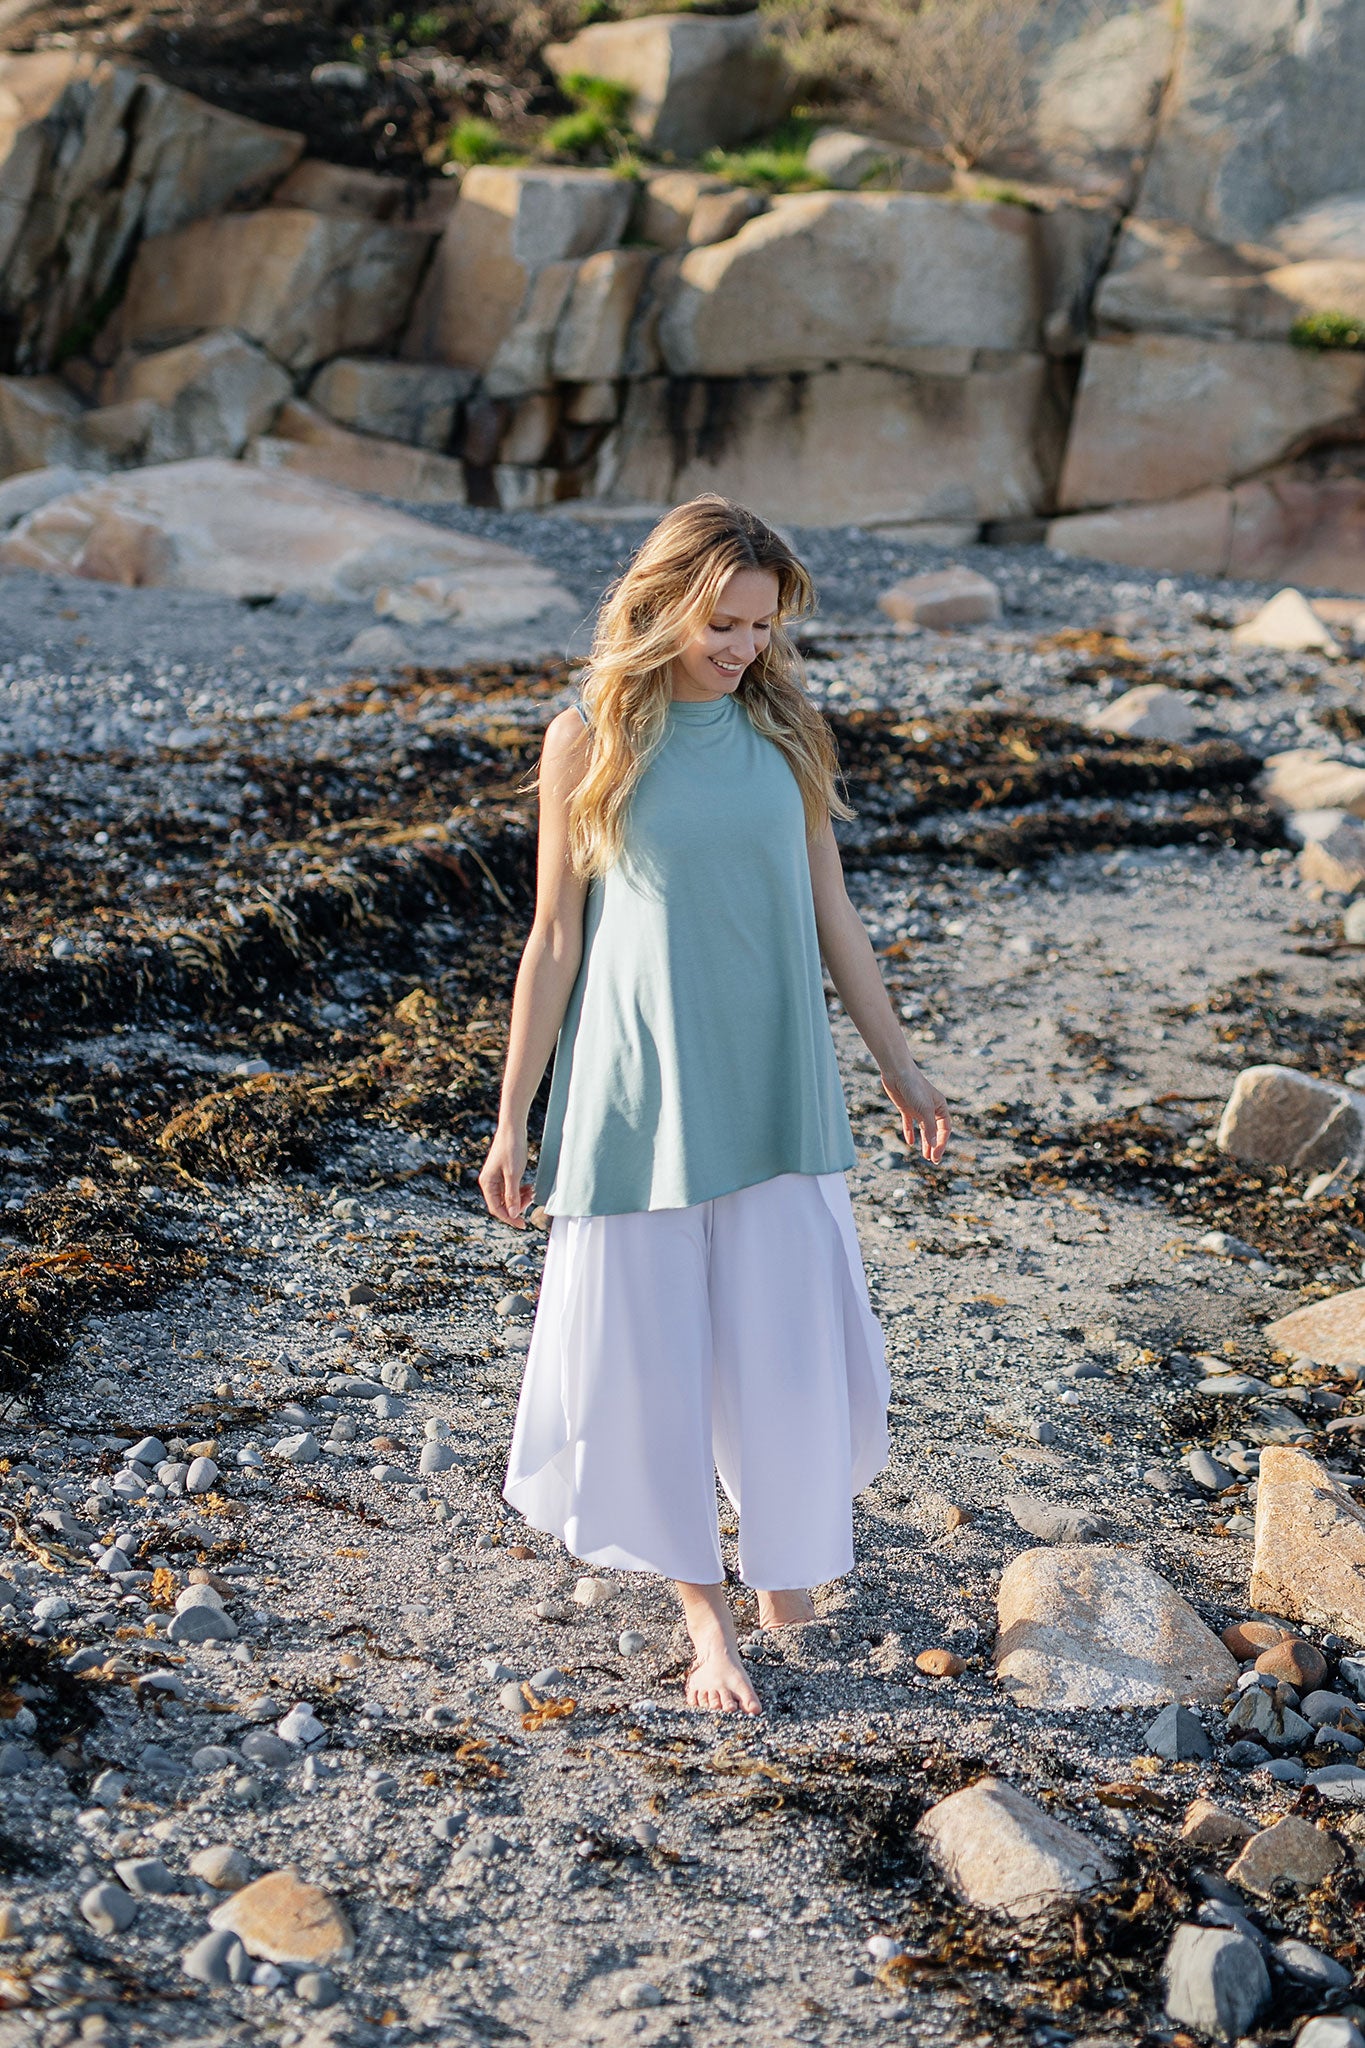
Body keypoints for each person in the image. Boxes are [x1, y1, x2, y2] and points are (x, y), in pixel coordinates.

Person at [479, 495, 951, 1717]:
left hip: (778, 1081)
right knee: (653, 1360)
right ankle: (709, 1622)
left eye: (761, 625)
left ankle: (786, 1570)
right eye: (724, 621)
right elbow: (553, 937)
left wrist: (899, 1063)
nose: (743, 646)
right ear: (663, 599)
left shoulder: (784, 732)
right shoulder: (587, 737)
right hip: (639, 1094)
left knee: (787, 1351)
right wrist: (511, 1113)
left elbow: (832, 916)